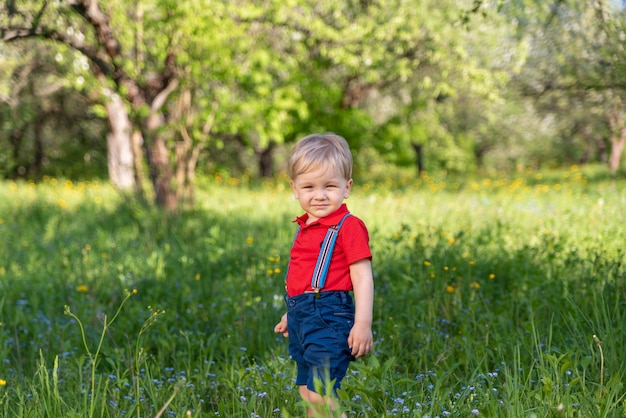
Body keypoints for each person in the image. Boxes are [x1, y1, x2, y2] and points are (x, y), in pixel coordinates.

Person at [274, 133, 374, 417]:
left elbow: (363, 277)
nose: (319, 195)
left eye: (330, 186)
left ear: (346, 187)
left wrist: (362, 323)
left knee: (321, 392)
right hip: (302, 317)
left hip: (330, 318)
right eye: (309, 186)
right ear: (295, 188)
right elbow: (301, 278)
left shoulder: (348, 226)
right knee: (307, 391)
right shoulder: (305, 226)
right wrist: (290, 314)